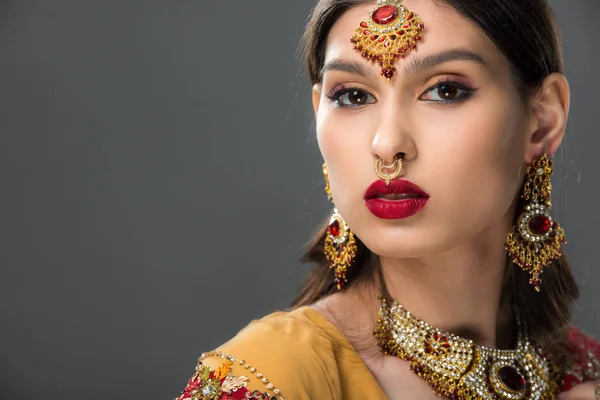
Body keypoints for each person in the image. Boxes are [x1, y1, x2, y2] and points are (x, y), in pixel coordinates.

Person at [175, 0, 600, 399]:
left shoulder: (580, 366)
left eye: (444, 90)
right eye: (353, 96)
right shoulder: (272, 375)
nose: (387, 144)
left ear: (542, 122)